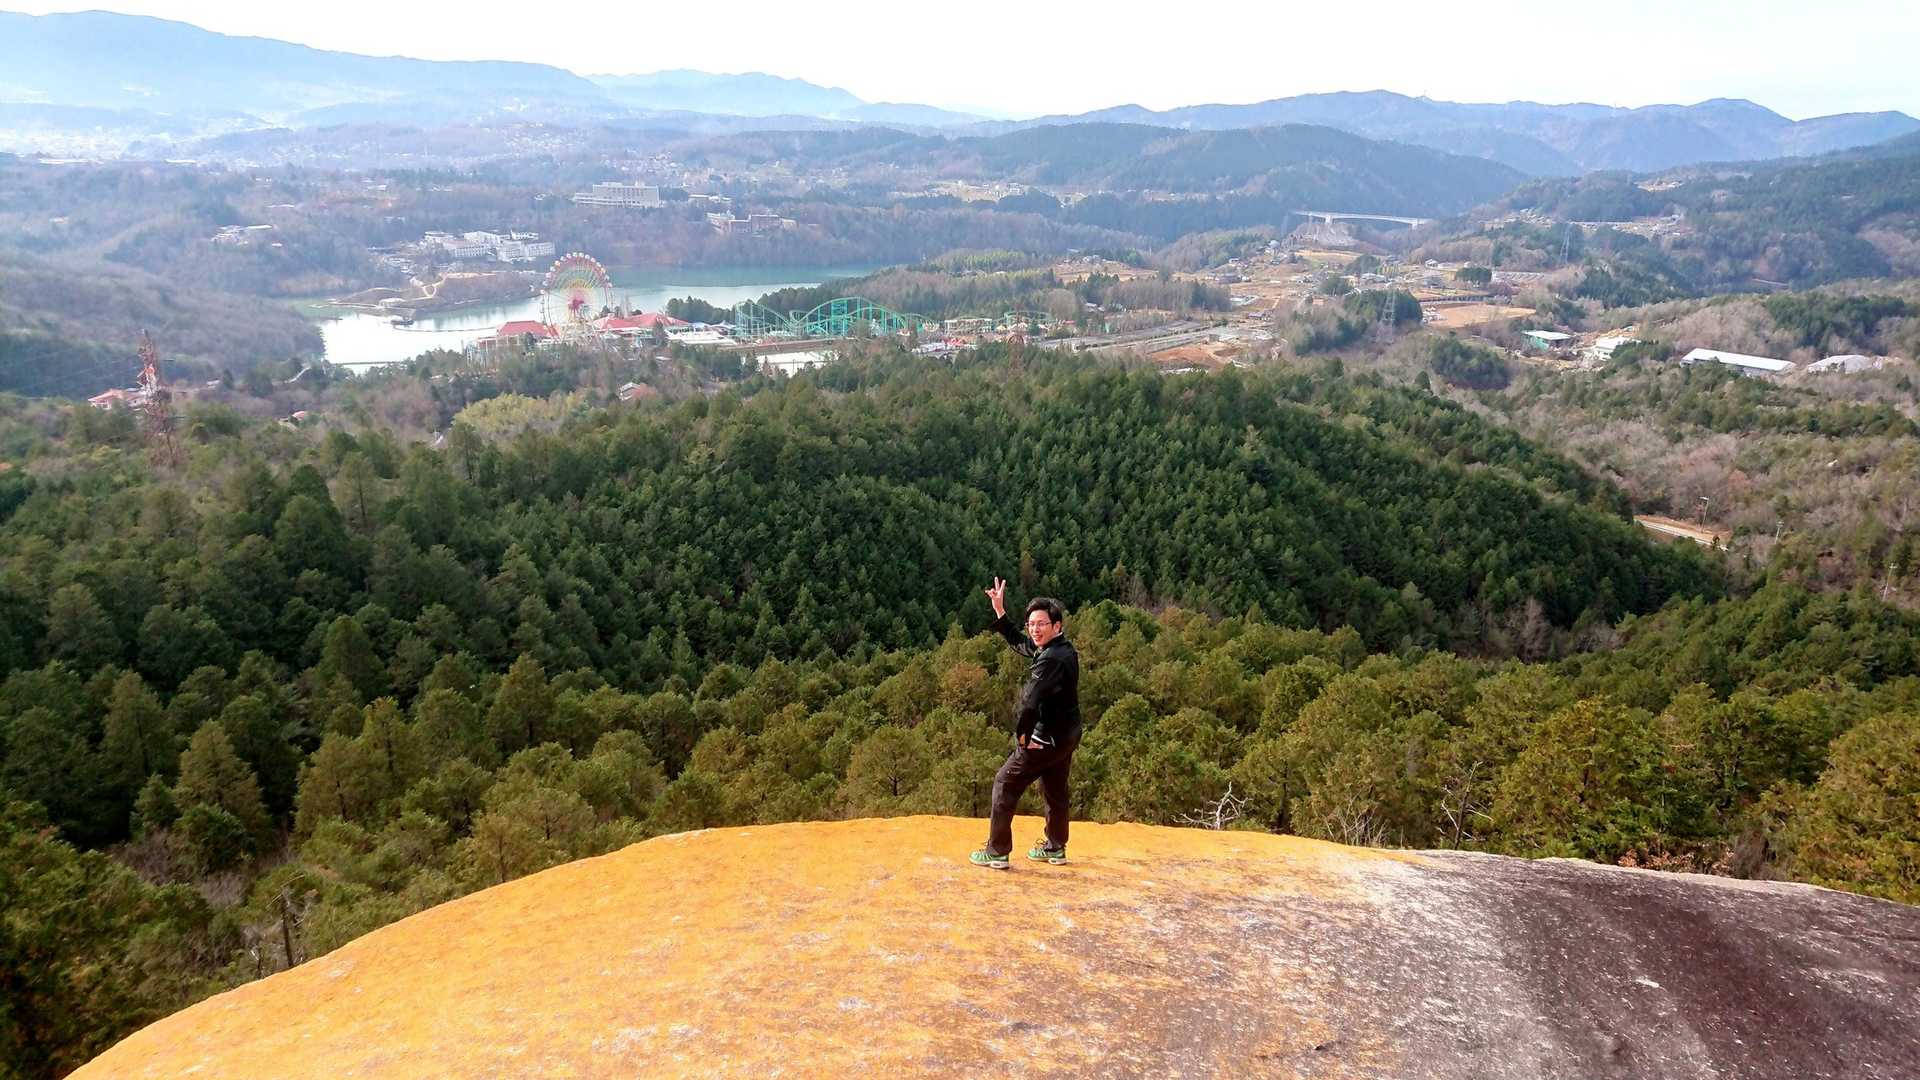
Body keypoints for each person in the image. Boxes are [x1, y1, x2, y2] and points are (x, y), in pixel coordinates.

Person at [970, 578, 1081, 870]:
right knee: (1055, 790)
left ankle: (997, 851)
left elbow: (1029, 703)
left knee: (1004, 783)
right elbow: (1023, 644)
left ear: (1057, 625)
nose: (1034, 629)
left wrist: (1023, 738)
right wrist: (1000, 611)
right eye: (1031, 624)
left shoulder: (1051, 660)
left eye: (1041, 624)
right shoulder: (1062, 648)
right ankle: (1056, 847)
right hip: (1066, 736)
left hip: (1045, 739)